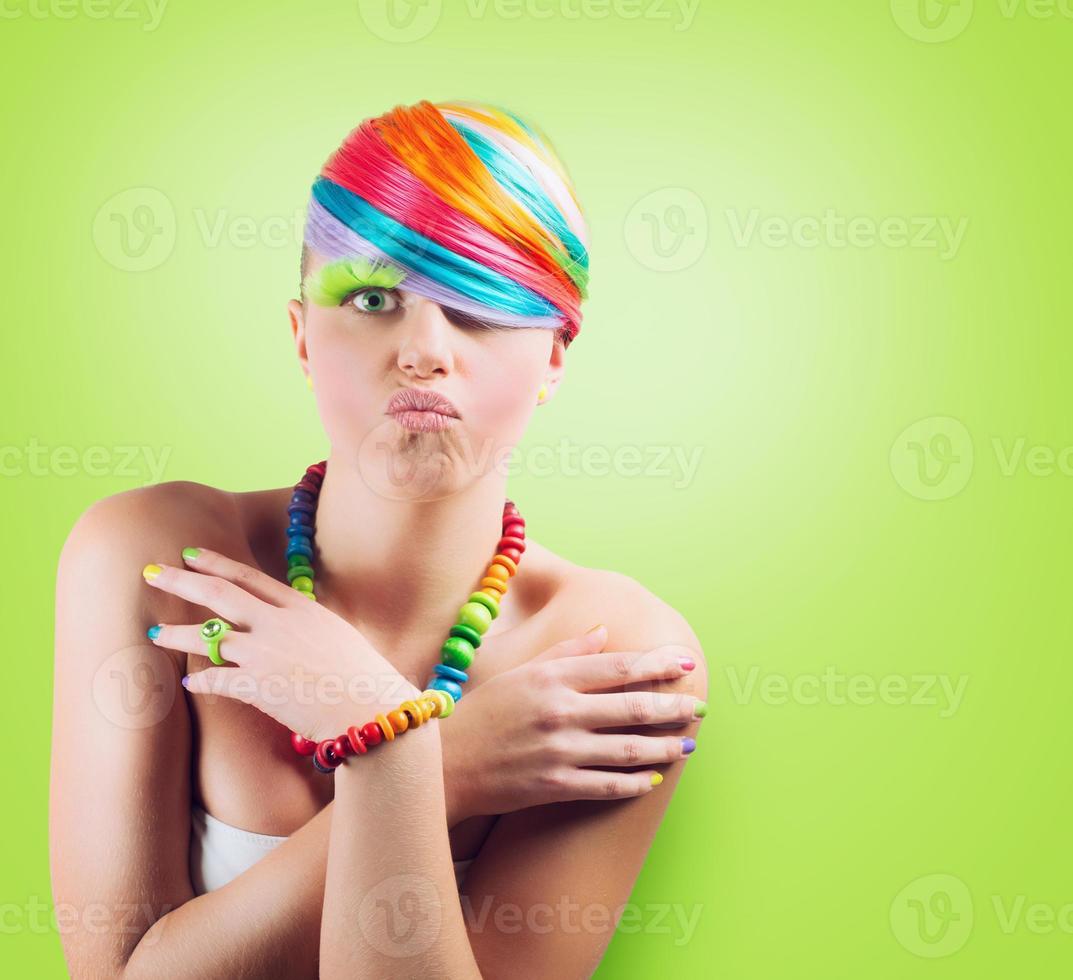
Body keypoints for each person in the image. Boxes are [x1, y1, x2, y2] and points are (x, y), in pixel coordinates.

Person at [50, 98, 708, 979]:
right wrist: (436, 757)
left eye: (478, 303)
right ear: (302, 337)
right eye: (371, 297)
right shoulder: (156, 560)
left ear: (554, 356)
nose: (425, 350)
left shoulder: (616, 659)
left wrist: (381, 742)